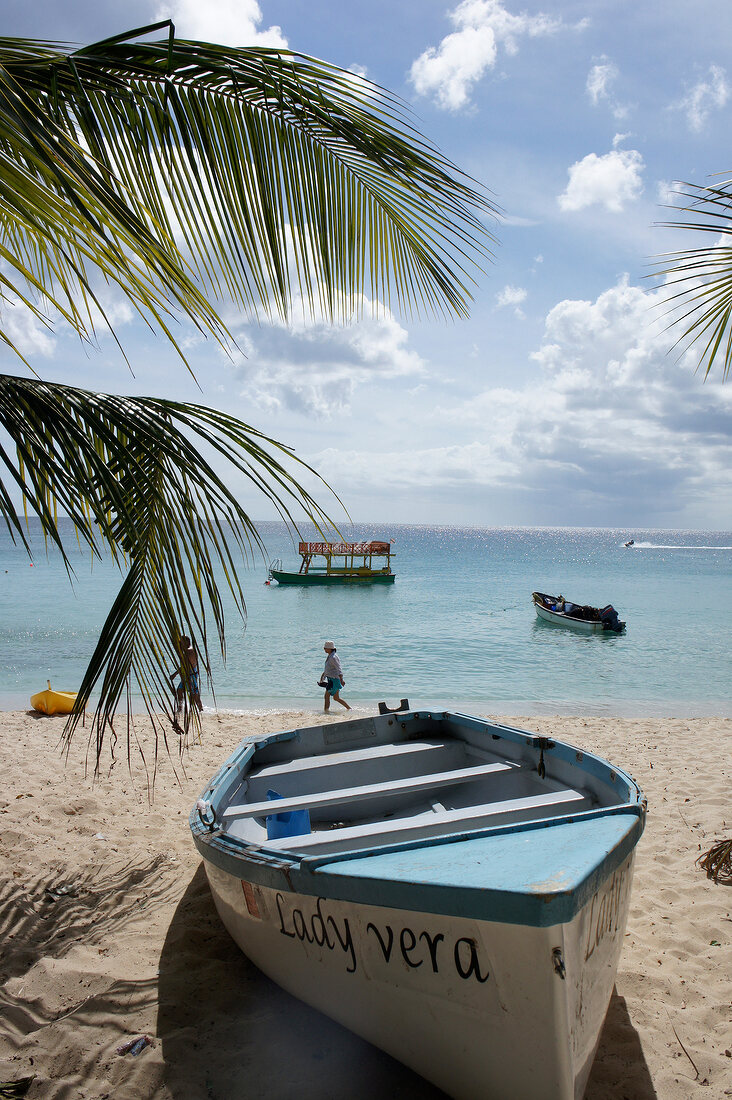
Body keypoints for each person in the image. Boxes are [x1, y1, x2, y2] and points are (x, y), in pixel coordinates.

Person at [170, 635, 203, 713]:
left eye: (182, 643)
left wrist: (174, 674)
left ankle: (200, 709)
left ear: (187, 642)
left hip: (191, 674)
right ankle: (180, 708)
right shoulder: (190, 650)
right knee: (180, 690)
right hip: (190, 673)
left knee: (194, 693)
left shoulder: (189, 651)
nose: (181, 644)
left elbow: (185, 665)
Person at [321, 641, 351, 712]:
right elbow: (327, 669)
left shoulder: (333, 657)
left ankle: (326, 711)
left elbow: (338, 668)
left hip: (334, 680)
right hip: (331, 679)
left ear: (329, 649)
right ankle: (349, 708)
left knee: (327, 696)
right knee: (336, 698)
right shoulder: (330, 656)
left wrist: (341, 679)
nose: (324, 649)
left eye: (325, 648)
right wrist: (322, 678)